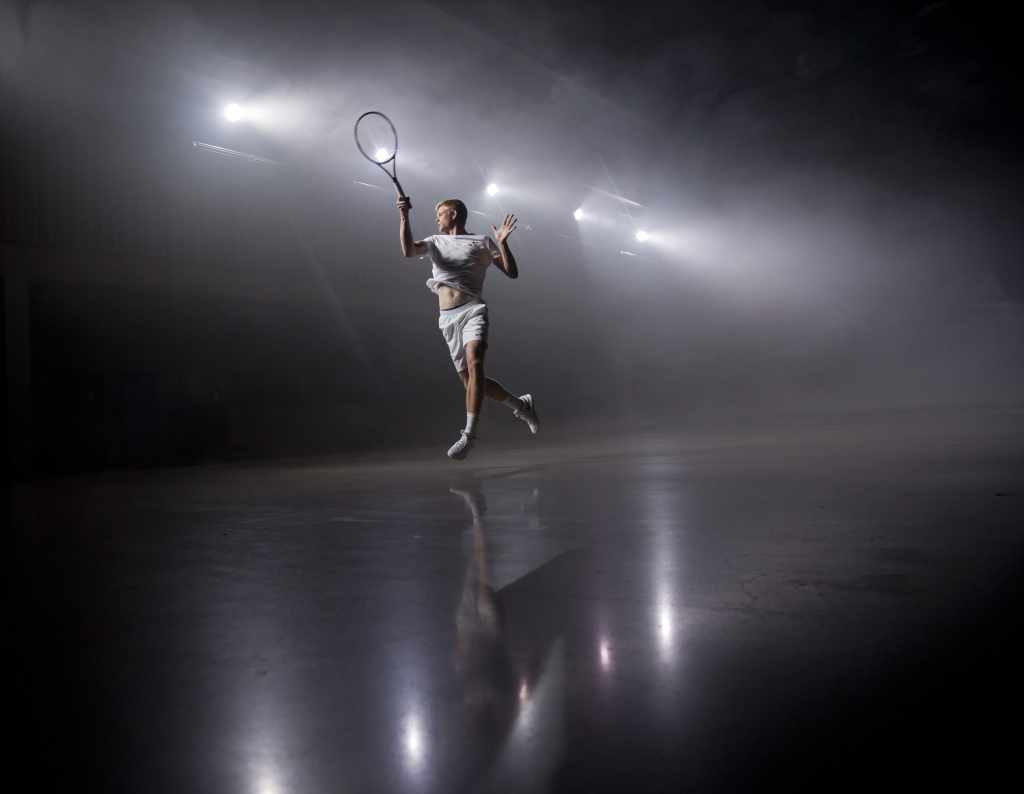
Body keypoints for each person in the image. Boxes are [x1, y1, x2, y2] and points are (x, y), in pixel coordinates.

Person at [397, 194, 538, 459]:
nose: (436, 219)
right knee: (471, 381)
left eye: (440, 214)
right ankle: (520, 405)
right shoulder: (434, 241)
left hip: (473, 310)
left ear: (453, 214)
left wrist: (502, 243)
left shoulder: (481, 241)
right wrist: (404, 216)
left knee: (475, 362)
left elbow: (511, 272)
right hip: (447, 319)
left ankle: (469, 436)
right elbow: (408, 251)